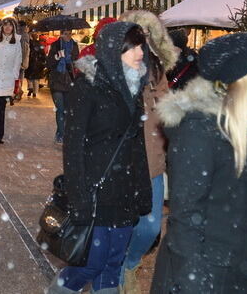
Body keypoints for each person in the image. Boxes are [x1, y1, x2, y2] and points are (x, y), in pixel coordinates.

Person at [150, 33, 247, 292]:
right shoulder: (200, 129)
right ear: (242, 76)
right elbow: (185, 216)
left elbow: (239, 195)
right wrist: (195, 278)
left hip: (243, 265)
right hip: (209, 271)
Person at [49, 22, 152, 294]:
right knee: (91, 265)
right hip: (95, 192)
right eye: (134, 46)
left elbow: (136, 145)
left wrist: (144, 192)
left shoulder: (133, 86)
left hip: (125, 192)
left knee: (113, 264)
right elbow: (72, 148)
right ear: (113, 50)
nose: (141, 52)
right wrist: (78, 197)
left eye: (142, 45)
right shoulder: (87, 88)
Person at [116, 10, 180, 292]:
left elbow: (167, 109)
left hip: (152, 162)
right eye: (137, 41)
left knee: (150, 227)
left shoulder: (156, 71)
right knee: (119, 227)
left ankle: (129, 262)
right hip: (120, 162)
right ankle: (118, 274)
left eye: (147, 41)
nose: (142, 48)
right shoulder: (113, 70)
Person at [46, 29, 80, 143]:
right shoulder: (55, 45)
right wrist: (57, 57)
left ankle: (60, 132)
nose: (68, 36)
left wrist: (69, 59)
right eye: (66, 33)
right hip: (57, 80)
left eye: (70, 33)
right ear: (61, 34)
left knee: (66, 110)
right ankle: (62, 134)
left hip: (70, 80)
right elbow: (49, 63)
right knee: (60, 109)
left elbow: (77, 61)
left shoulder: (74, 45)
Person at [24, 30, 47, 97]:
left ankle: (30, 87)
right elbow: (43, 54)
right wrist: (43, 61)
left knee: (29, 77)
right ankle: (35, 92)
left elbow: (26, 52)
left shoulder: (29, 43)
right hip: (38, 63)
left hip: (30, 61)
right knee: (36, 79)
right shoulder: (40, 44)